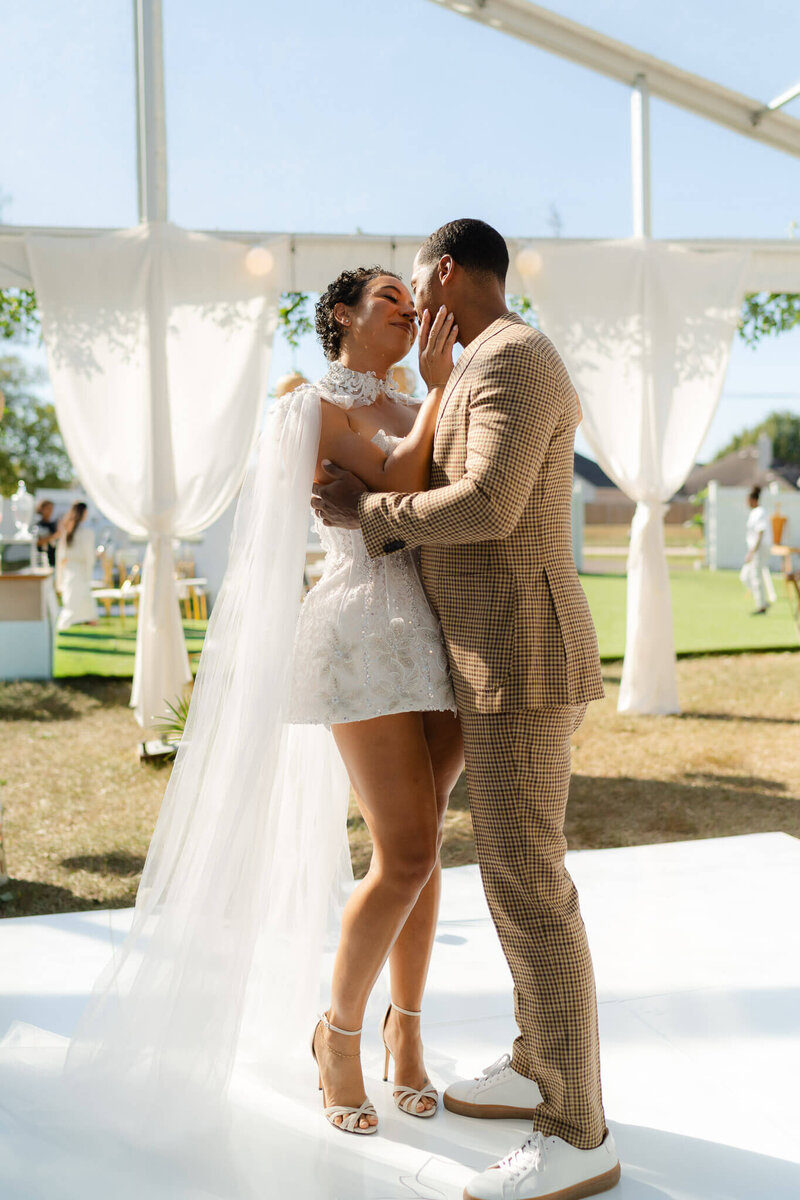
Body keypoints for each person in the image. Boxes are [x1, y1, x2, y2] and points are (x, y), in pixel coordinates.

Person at [313, 219, 620, 1200]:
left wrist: (366, 513)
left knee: (530, 889)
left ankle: (576, 1131)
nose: (412, 308)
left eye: (416, 285)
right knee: (507, 880)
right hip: (479, 658)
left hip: (520, 655)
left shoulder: (514, 356)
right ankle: (536, 1064)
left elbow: (487, 504)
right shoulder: (473, 362)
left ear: (445, 270)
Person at [55, 501, 98, 629]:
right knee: (77, 598)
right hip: (78, 571)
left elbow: (61, 556)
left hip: (70, 571)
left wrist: (60, 576)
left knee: (75, 598)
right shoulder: (85, 533)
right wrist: (89, 570)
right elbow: (88, 556)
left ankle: (87, 620)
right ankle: (75, 621)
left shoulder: (67, 531)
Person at [740, 485, 770, 615]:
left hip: (759, 548)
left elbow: (760, 533)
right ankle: (762, 601)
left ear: (753, 500)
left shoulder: (760, 512)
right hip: (755, 549)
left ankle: (761, 605)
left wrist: (752, 552)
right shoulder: (754, 513)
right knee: (745, 576)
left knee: (755, 575)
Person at [34, 499, 60, 568]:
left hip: (54, 559)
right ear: (42, 509)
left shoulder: (54, 525)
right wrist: (53, 536)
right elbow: (37, 542)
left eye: (51, 508)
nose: (50, 511)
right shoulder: (38, 525)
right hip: (42, 560)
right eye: (48, 508)